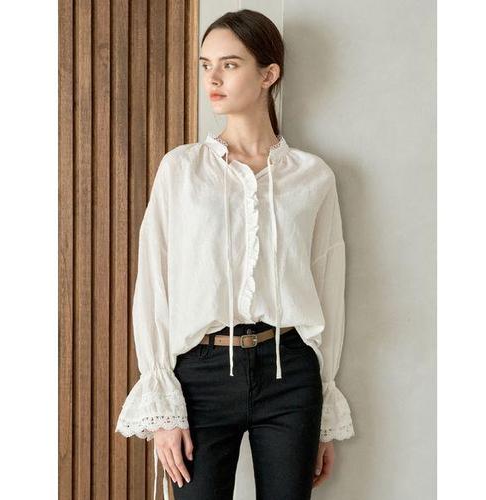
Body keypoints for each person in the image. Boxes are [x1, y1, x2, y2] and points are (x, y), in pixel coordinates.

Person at [115, 8, 355, 500]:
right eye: (206, 65)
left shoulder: (313, 176)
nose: (213, 79)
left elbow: (329, 287)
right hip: (200, 376)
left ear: (268, 74)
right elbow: (155, 282)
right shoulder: (181, 170)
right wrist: (163, 404)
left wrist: (324, 412)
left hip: (290, 373)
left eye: (229, 64)